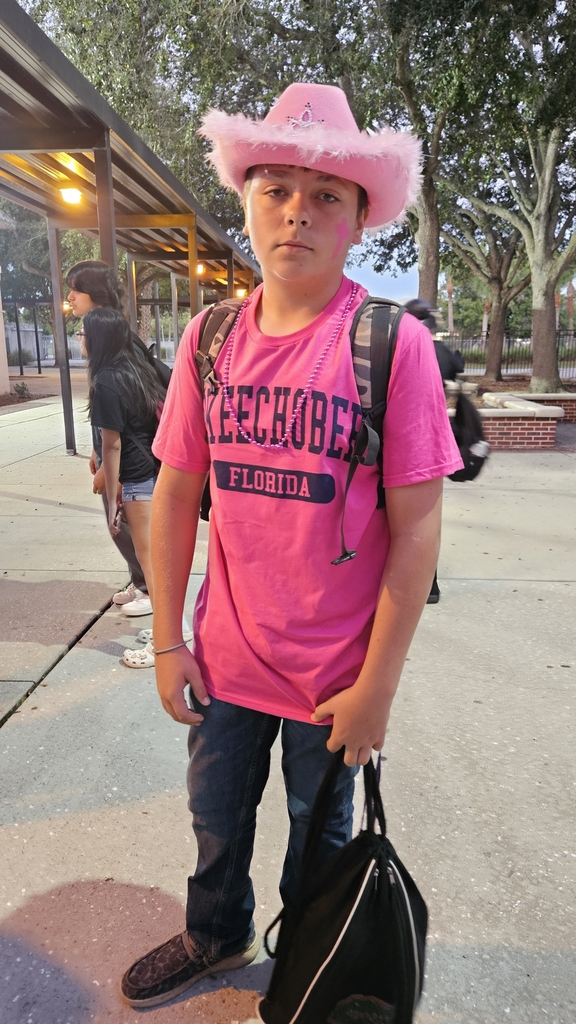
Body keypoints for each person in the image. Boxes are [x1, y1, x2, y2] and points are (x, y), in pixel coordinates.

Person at [121, 83, 463, 1007]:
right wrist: (167, 640)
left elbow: (417, 527)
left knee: (321, 839)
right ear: (246, 202)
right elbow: (176, 495)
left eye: (324, 195)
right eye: (275, 189)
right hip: (224, 661)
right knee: (215, 819)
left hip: (333, 680)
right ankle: (215, 936)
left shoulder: (390, 345)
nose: (297, 212)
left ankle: (311, 966)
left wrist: (378, 687)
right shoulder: (209, 340)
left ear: (359, 217)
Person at [81, 307, 167, 668]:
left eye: (83, 334)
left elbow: (112, 445)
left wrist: (113, 498)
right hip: (156, 472)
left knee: (152, 565)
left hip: (138, 479)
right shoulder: (138, 371)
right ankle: (171, 631)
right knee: (158, 562)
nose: (81, 340)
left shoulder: (106, 381)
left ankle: (165, 644)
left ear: (97, 339)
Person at [67, 260, 152, 618]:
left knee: (129, 528)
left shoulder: (114, 339)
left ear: (95, 293)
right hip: (125, 459)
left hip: (132, 463)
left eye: (76, 290)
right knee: (124, 526)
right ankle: (141, 582)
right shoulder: (110, 335)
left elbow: (127, 417)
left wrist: (109, 469)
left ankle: (148, 588)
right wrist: (96, 450)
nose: (70, 297)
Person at [405, 298, 465, 603]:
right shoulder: (440, 350)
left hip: (401, 436)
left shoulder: (399, 345)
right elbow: (457, 369)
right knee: (425, 517)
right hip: (430, 439)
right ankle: (431, 585)